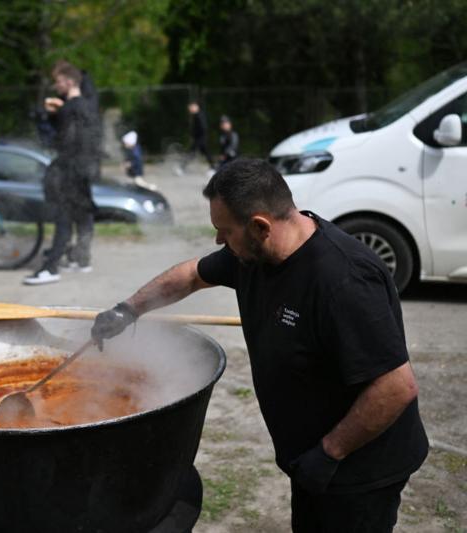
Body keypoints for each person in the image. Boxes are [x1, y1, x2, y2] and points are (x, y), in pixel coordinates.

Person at [91, 158, 428, 532]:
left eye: (224, 231)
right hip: (312, 459)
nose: (219, 240)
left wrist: (330, 453)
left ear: (260, 226)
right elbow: (190, 276)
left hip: (359, 469)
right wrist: (127, 310)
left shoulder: (343, 281)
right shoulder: (253, 255)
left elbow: (396, 387)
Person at [24, 62, 98, 285]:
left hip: (69, 170)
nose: (56, 86)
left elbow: (57, 142)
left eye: (57, 82)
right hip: (84, 169)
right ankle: (82, 259)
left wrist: (45, 118)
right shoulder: (87, 106)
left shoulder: (69, 109)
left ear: (69, 82)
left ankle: (51, 267)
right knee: (83, 214)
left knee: (63, 218)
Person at [174, 102, 213, 176]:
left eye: (191, 107)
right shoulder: (196, 115)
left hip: (200, 139)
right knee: (205, 153)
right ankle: (213, 168)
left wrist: (196, 135)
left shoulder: (199, 116)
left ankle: (182, 168)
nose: (190, 109)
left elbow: (203, 128)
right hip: (200, 139)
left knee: (192, 153)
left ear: (196, 107)